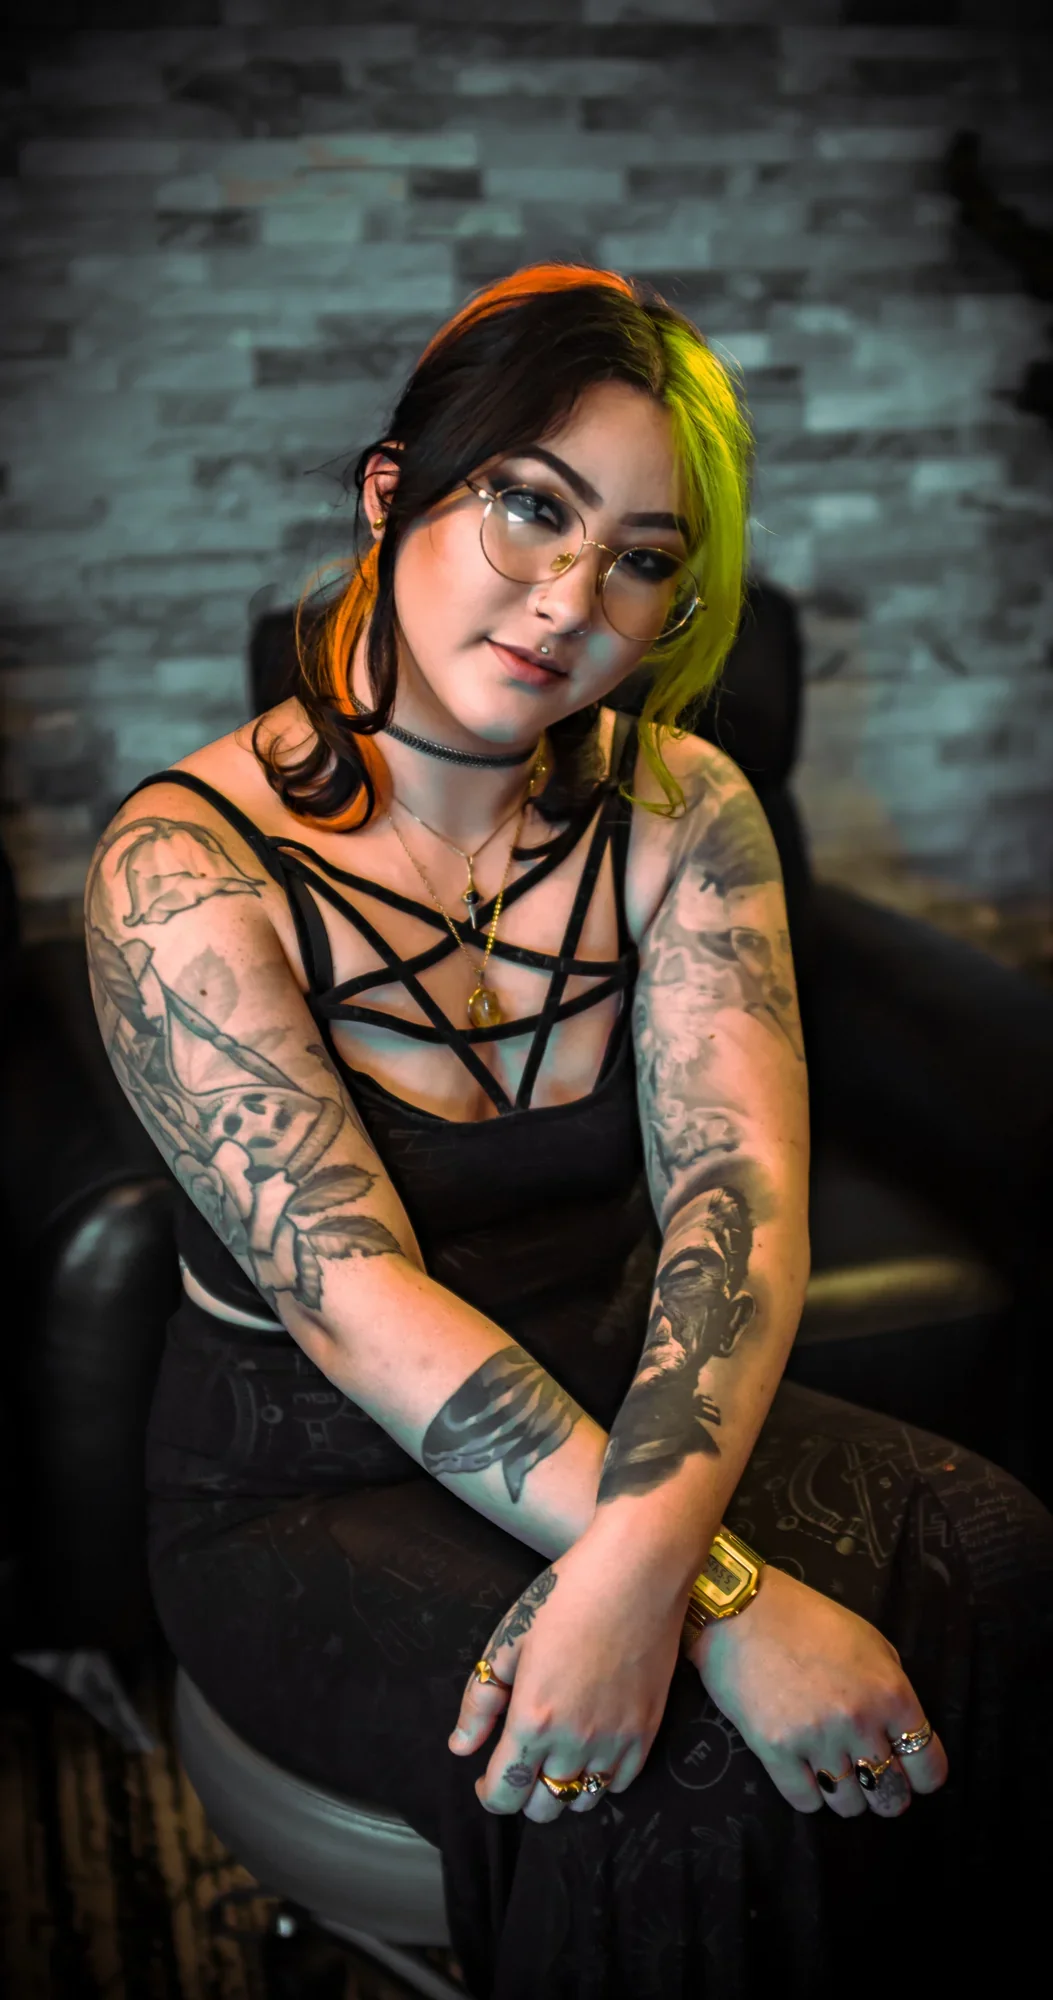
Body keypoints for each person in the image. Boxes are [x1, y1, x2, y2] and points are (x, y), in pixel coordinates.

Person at [85, 263, 1052, 1999]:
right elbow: (356, 1292)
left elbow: (735, 1208)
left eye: (642, 557)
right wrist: (718, 1602)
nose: (566, 600)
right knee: (665, 1777)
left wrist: (653, 1562)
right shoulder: (181, 872)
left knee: (1000, 1550)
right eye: (529, 507)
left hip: (620, 1396)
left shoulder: (687, 810)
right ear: (392, 498)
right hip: (305, 1477)